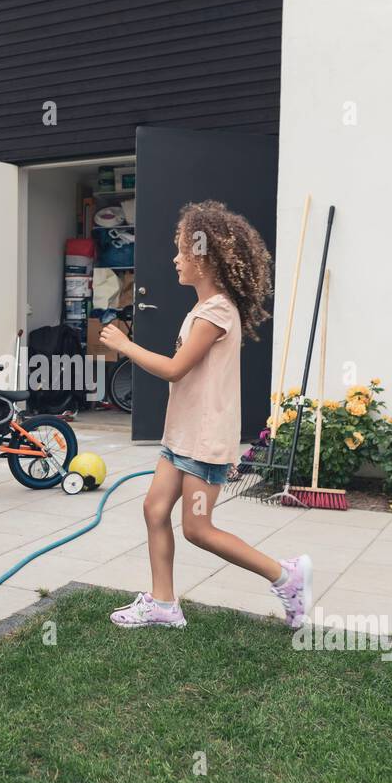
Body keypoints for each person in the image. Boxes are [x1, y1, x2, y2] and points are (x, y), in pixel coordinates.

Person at [99, 200, 313, 629]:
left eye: (182, 251)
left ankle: (286, 576)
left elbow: (176, 369)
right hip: (181, 436)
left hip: (202, 440)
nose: (175, 259)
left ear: (205, 258)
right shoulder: (203, 309)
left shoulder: (216, 312)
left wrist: (125, 346)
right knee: (154, 510)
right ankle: (162, 602)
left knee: (197, 528)